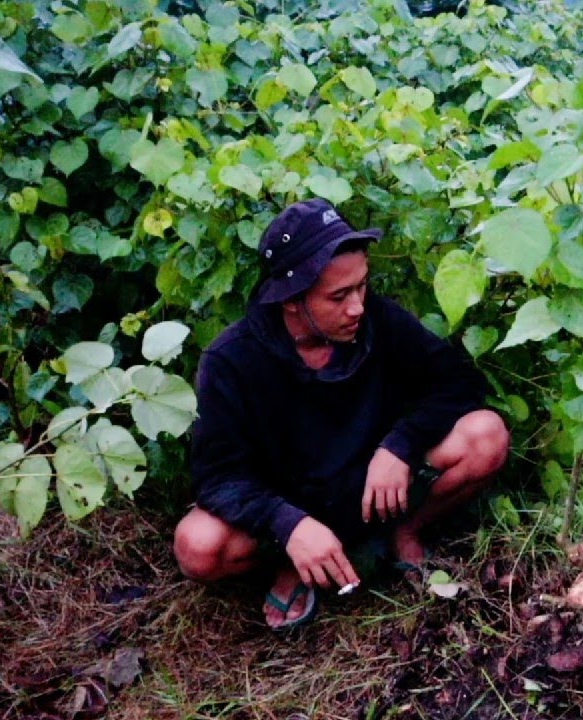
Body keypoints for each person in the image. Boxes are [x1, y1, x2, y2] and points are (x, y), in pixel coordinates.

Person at [173, 198, 510, 629]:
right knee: (197, 544)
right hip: (291, 507)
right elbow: (217, 478)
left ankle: (402, 533)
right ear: (292, 300)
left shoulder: (378, 320)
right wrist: (286, 523)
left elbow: (459, 382)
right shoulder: (231, 360)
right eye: (338, 296)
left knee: (486, 434)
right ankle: (293, 564)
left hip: (373, 491)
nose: (357, 307)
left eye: (361, 287)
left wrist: (400, 445)